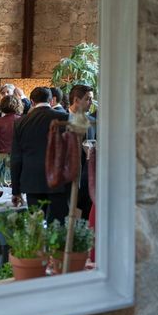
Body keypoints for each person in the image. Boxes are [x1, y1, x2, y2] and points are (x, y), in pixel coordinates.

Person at [11, 87, 69, 223]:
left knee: (35, 227)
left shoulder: (20, 122)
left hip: (31, 180)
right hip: (58, 179)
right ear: (51, 100)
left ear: (32, 101)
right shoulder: (64, 118)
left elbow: (16, 158)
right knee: (57, 227)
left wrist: (16, 190)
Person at [67, 84, 96, 220]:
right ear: (77, 100)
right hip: (64, 180)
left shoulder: (92, 122)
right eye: (88, 99)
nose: (91, 103)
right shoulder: (61, 119)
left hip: (85, 180)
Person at [0, 95, 23, 185]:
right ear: (18, 105)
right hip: (18, 157)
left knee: (1, 187)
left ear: (2, 106)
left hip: (2, 157)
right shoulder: (22, 121)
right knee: (16, 186)